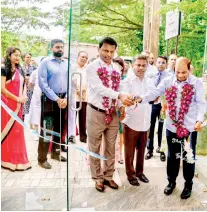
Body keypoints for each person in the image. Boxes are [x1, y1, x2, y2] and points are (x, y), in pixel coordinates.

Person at [136, 57, 206, 199]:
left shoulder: (196, 83)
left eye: (184, 72)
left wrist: (199, 120)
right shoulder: (168, 80)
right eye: (178, 72)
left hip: (189, 128)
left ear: (189, 69)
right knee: (172, 156)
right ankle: (171, 182)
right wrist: (141, 98)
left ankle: (188, 184)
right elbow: (155, 92)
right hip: (171, 126)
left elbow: (201, 103)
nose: (180, 76)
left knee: (188, 157)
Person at [86, 37, 134, 192]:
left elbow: (119, 87)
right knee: (94, 147)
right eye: (105, 50)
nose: (108, 54)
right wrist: (119, 95)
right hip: (96, 111)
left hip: (112, 113)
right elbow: (99, 88)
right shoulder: (91, 67)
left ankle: (108, 177)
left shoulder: (116, 68)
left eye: (112, 51)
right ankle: (97, 178)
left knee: (111, 147)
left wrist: (122, 105)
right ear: (98, 49)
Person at [120, 55, 155, 186]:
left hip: (146, 122)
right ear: (133, 65)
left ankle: (140, 172)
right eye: (138, 65)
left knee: (141, 151)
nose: (141, 68)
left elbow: (153, 97)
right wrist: (141, 98)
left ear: (147, 66)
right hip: (132, 122)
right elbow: (127, 100)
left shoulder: (150, 82)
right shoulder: (127, 82)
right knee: (129, 152)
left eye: (143, 65)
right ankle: (130, 174)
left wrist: (142, 98)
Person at [37, 39, 70, 169]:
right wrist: (57, 99)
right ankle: (42, 158)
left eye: (61, 47)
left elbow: (69, 83)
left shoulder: (66, 63)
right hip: (49, 101)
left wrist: (66, 98)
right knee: (46, 129)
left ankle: (56, 154)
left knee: (59, 128)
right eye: (57, 47)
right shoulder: (45, 62)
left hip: (63, 101)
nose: (60, 49)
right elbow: (42, 84)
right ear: (51, 48)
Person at [1, 47, 31, 171]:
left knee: (18, 132)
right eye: (15, 55)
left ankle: (19, 160)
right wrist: (17, 99)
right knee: (10, 132)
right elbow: (2, 89)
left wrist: (23, 96)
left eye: (19, 55)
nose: (18, 57)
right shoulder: (4, 69)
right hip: (7, 106)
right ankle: (8, 160)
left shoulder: (20, 69)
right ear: (9, 56)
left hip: (19, 106)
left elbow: (24, 85)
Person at [145, 56, 170, 162]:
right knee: (150, 127)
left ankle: (162, 150)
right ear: (156, 63)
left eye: (163, 62)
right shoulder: (151, 75)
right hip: (152, 105)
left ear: (166, 64)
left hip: (163, 105)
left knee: (161, 128)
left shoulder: (169, 77)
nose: (161, 64)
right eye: (159, 62)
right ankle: (149, 149)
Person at [28, 57, 45, 140]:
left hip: (46, 96)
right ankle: (36, 132)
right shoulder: (35, 72)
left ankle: (44, 133)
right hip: (36, 95)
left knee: (44, 114)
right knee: (36, 113)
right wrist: (34, 92)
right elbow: (30, 84)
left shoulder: (49, 72)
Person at [113, 57, 126, 164]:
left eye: (120, 67)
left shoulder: (123, 80)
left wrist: (122, 108)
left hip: (119, 109)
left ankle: (120, 154)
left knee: (120, 133)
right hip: (109, 109)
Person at [74, 51, 88, 143]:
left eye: (86, 58)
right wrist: (78, 91)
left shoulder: (88, 69)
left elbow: (89, 82)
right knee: (71, 117)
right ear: (78, 57)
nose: (84, 59)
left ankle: (83, 137)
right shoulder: (73, 68)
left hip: (85, 97)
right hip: (74, 97)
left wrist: (83, 91)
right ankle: (71, 135)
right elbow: (72, 80)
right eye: (82, 57)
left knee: (83, 118)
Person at [22, 52, 36, 123]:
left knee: (32, 106)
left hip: (31, 89)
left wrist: (30, 78)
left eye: (30, 57)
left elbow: (37, 74)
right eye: (27, 57)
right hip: (22, 89)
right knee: (23, 106)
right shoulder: (20, 67)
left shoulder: (33, 67)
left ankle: (32, 123)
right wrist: (24, 77)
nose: (29, 59)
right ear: (24, 58)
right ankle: (22, 121)